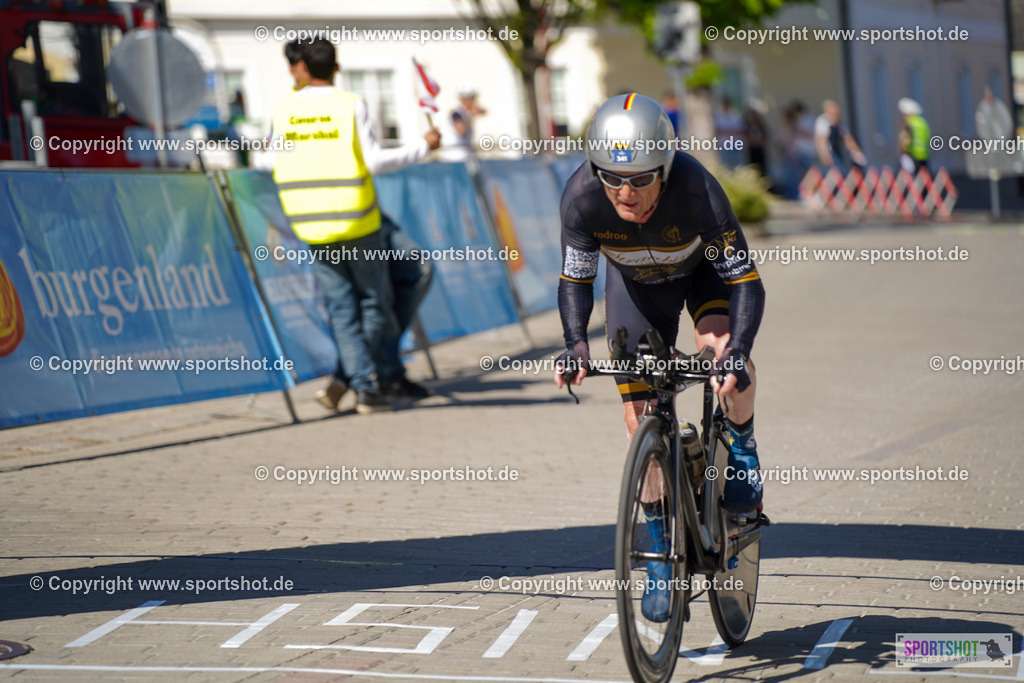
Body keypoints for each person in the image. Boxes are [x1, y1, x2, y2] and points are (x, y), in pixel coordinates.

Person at [553, 93, 765, 621]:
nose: (626, 193)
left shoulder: (696, 190)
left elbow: (746, 283)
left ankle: (739, 445)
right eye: (612, 177)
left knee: (722, 356)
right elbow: (574, 278)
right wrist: (575, 342)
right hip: (638, 292)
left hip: (701, 277)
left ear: (665, 168)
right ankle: (658, 558)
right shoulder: (581, 197)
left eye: (642, 179)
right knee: (637, 420)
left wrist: (737, 351)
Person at [271, 39, 440, 414]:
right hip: (356, 220)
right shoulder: (349, 104)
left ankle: (359, 382)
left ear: (302, 68)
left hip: (310, 223)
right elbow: (375, 162)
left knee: (342, 309)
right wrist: (423, 146)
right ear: (336, 67)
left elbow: (272, 160)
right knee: (374, 303)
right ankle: (361, 384)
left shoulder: (282, 110)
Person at [814, 99, 867, 173]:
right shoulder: (823, 122)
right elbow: (821, 140)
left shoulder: (839, 123)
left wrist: (856, 152)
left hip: (837, 152)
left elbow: (847, 138)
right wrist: (825, 156)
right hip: (827, 155)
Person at [442, 85, 486, 162]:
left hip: (465, 154)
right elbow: (461, 130)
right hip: (455, 156)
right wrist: (471, 115)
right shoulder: (457, 114)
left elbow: (484, 111)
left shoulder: (465, 113)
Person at [897, 97, 930, 175]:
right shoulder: (922, 122)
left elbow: (905, 139)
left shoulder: (909, 122)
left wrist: (903, 151)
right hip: (924, 153)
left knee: (911, 176)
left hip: (912, 153)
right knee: (924, 176)